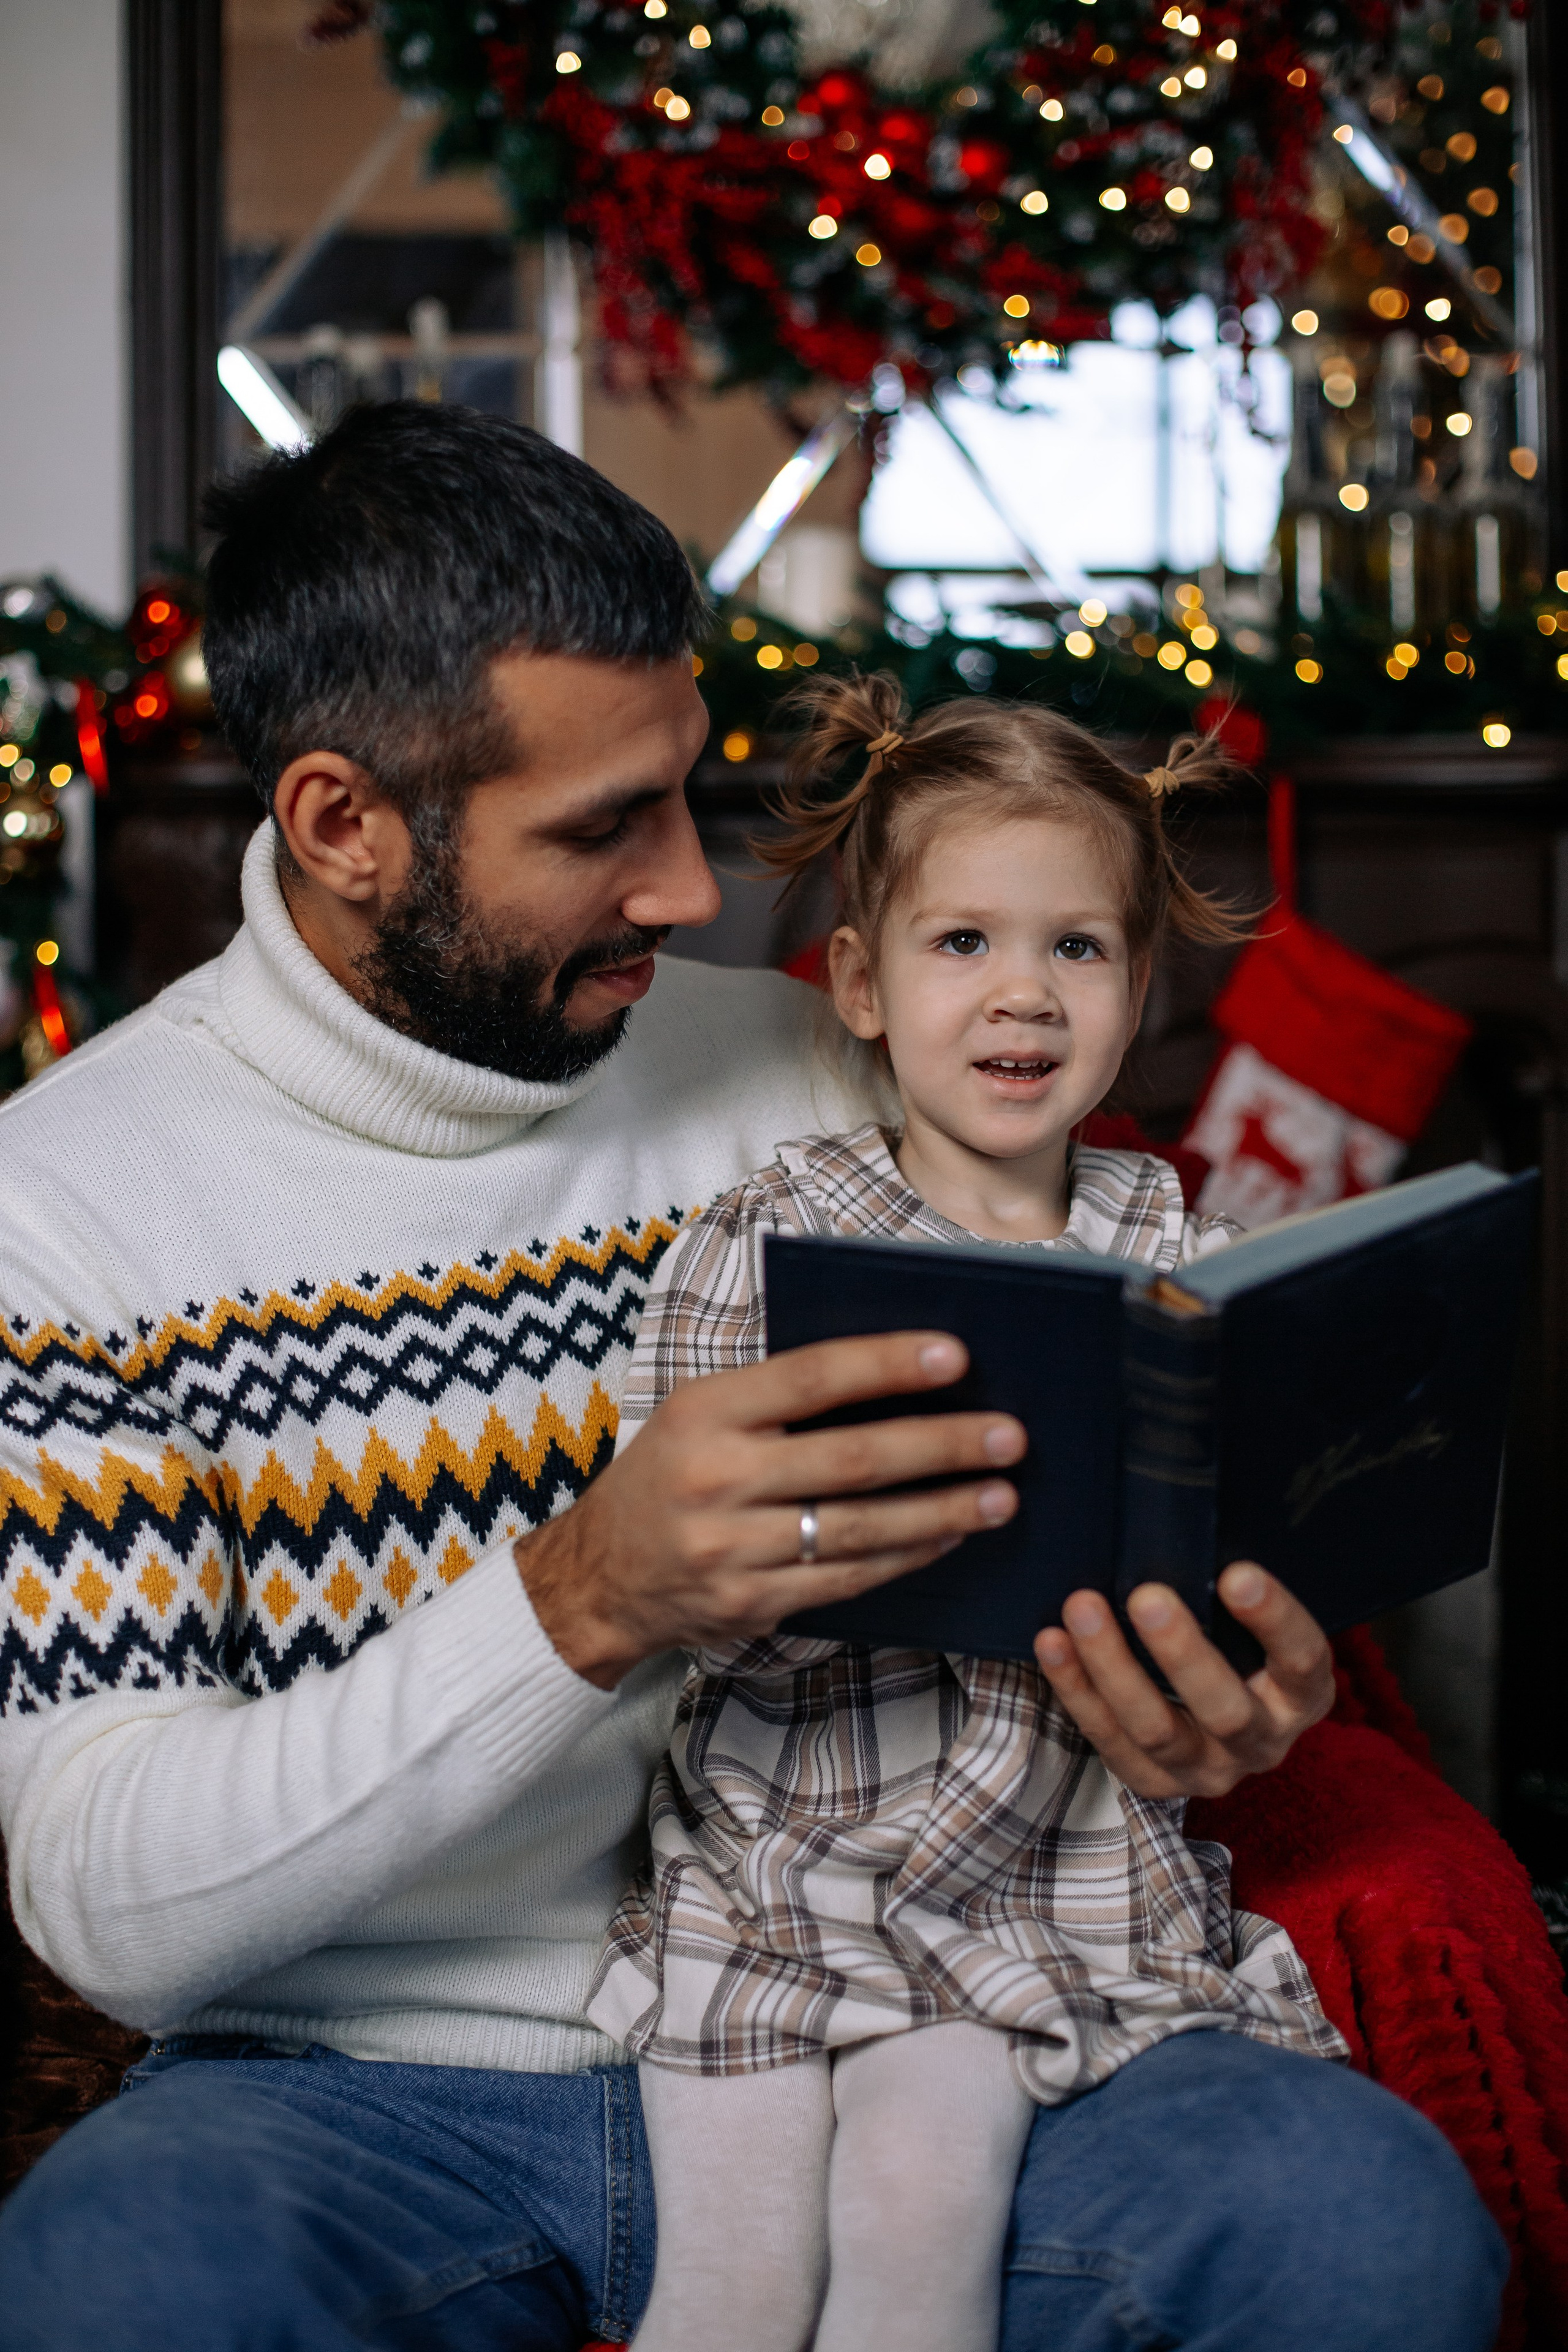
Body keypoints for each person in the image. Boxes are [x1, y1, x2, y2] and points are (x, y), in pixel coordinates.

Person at [0, 404, 1502, 2351]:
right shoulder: (65, 1210)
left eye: (683, 795)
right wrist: (585, 1593)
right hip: (361, 2089)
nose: (693, 896)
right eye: (598, 827)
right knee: (120, 2275)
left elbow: (1122, 1518)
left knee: (1354, 2224)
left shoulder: (813, 1081)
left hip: (930, 2002)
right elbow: (112, 1904)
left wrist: (1231, 1692)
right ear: (342, 825)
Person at [579, 679, 1452, 2352]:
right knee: (734, 2283)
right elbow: (675, 1555)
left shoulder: (1169, 1247)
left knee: (924, 2236)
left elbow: (1235, 1563)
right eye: (962, 943)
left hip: (1032, 1877)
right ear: (860, 983)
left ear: (1137, 993)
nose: (1023, 997)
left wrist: (1254, 1623)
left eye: (1079, 950)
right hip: (785, 1856)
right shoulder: (768, 1236)